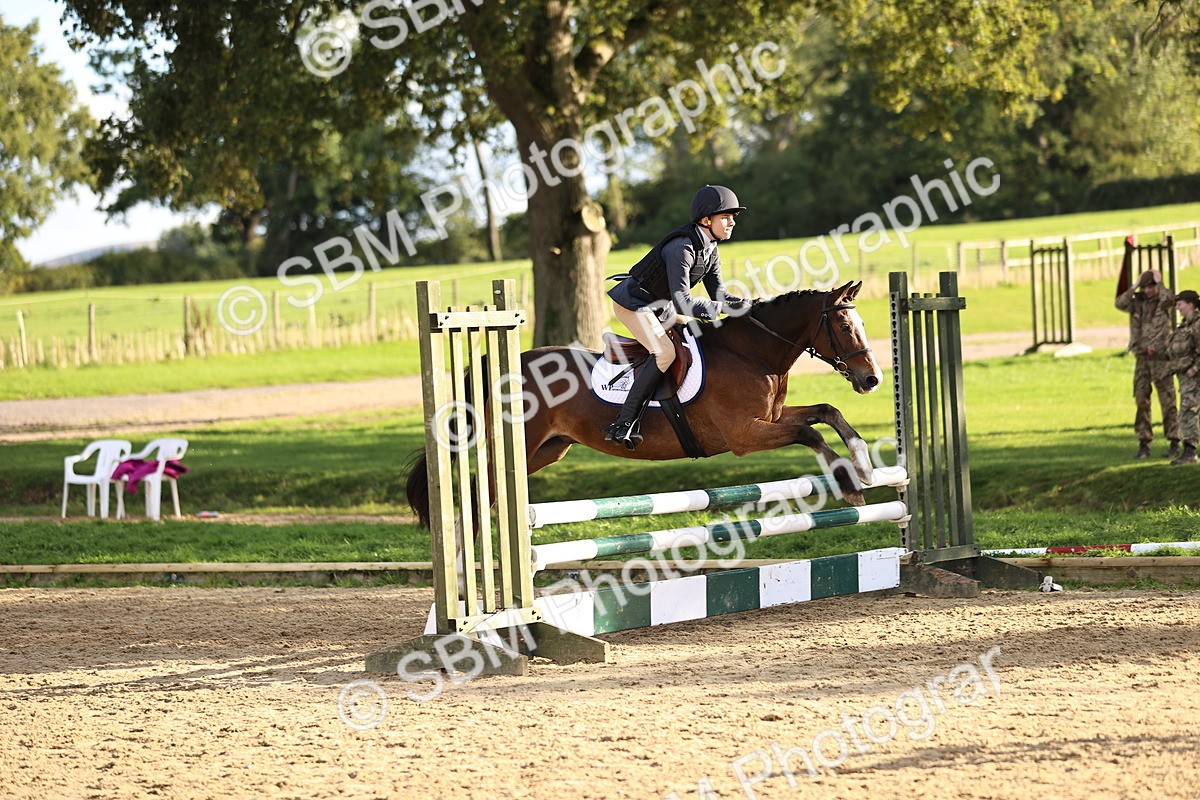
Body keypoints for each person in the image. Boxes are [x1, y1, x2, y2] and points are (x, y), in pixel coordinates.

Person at [603, 185, 752, 449]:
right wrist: (719, 310)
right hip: (634, 303)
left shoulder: (710, 249)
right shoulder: (681, 247)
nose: (732, 222)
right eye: (726, 217)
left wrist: (752, 306)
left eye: (733, 217)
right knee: (664, 353)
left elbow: (719, 295)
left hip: (661, 306)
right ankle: (623, 423)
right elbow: (684, 302)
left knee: (696, 334)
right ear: (706, 220)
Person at [1116, 269, 1179, 459]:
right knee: (1141, 399)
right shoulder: (1137, 302)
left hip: (1161, 358)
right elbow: (1120, 303)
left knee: (1167, 401)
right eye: (1144, 287)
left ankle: (1174, 441)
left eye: (1150, 287)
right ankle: (1144, 442)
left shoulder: (1163, 301)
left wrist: (1159, 283)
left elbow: (1171, 298)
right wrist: (1134, 285)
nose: (1147, 291)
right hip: (1142, 358)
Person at [1166, 290, 1200, 465]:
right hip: (1185, 377)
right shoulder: (1185, 325)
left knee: (1189, 412)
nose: (1177, 308)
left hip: (1194, 377)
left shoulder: (1197, 325)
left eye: (1180, 304)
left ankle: (1190, 452)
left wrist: (1194, 368)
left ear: (1191, 305)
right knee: (1188, 412)